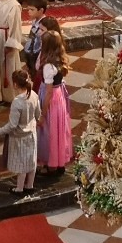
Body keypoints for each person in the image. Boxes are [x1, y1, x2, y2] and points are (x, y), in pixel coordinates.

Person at [0, 70, 41, 195]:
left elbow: (12, 125)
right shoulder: (34, 95)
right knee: (31, 160)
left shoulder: (17, 101)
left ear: (15, 84)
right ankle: (30, 185)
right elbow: (38, 115)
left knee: (21, 163)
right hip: (31, 134)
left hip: (19, 137)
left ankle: (19, 188)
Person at [36, 31, 72, 176]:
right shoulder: (60, 59)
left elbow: (49, 92)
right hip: (59, 97)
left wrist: (43, 114)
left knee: (50, 132)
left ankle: (51, 165)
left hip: (51, 100)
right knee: (58, 130)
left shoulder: (48, 67)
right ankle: (59, 162)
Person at [33, 16, 63, 93]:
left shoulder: (52, 54)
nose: (39, 32)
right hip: (41, 78)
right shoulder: (46, 45)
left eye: (42, 30)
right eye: (39, 29)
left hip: (47, 85)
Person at [22, 0, 47, 78]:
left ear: (41, 10)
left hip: (38, 55)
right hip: (31, 53)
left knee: (37, 77)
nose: (29, 12)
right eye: (28, 9)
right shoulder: (34, 21)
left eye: (32, 9)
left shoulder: (44, 25)